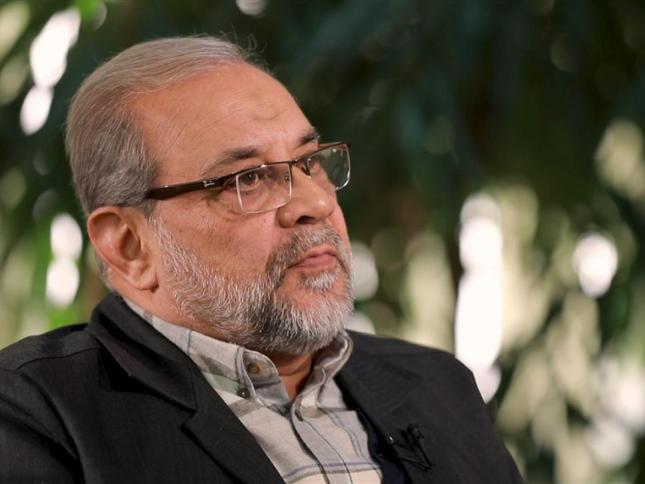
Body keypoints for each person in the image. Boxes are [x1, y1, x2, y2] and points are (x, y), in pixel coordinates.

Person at [0, 36, 523, 483]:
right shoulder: (35, 414)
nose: (316, 204)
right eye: (248, 178)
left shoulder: (437, 385)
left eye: (310, 162)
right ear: (129, 245)